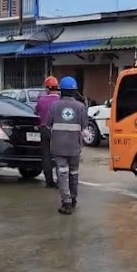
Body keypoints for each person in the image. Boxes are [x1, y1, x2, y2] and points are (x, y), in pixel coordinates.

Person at [46, 76, 88, 215]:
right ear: (75, 91)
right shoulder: (81, 107)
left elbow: (48, 124)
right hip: (75, 146)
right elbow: (85, 128)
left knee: (62, 173)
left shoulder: (54, 106)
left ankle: (66, 202)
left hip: (58, 146)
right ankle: (73, 198)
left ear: (61, 91)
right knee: (74, 173)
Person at [36, 76, 60, 188]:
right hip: (57, 130)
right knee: (59, 156)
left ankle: (49, 181)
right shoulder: (60, 100)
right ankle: (61, 180)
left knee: (46, 156)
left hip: (44, 130)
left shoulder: (41, 100)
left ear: (47, 88)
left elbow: (37, 112)